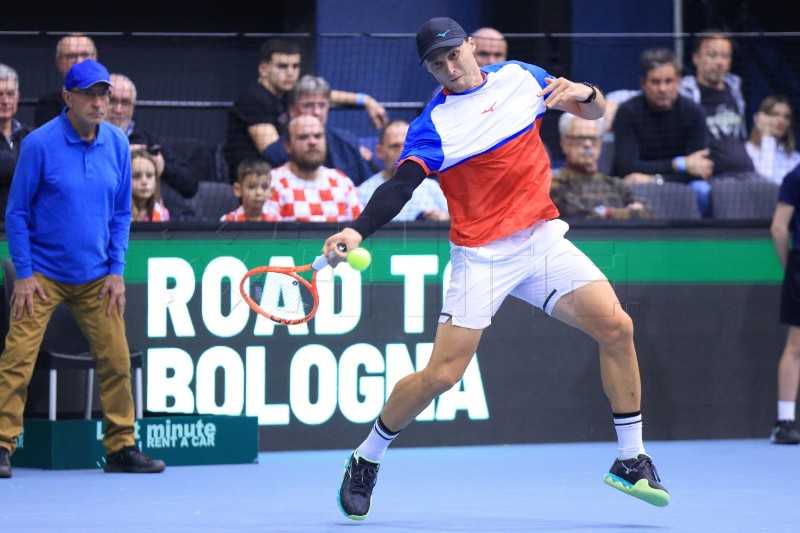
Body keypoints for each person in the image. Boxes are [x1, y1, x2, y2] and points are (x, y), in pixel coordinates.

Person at [325, 17, 669, 521]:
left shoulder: (520, 77)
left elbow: (592, 113)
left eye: (453, 54)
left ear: (472, 47)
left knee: (617, 327)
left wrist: (586, 91)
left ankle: (631, 460)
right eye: (436, 63)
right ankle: (366, 457)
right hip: (482, 256)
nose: (449, 68)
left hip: (542, 239)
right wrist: (357, 229)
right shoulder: (433, 127)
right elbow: (399, 187)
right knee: (443, 375)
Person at [0, 59, 165, 479]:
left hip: (98, 279)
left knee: (116, 360)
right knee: (18, 360)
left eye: (103, 94)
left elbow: (120, 215)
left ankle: (121, 448)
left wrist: (116, 271)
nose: (98, 102)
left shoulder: (116, 145)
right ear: (68, 98)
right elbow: (16, 213)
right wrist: (24, 273)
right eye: (89, 94)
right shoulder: (38, 144)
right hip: (42, 277)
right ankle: (1, 446)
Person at [225, 39, 387, 177]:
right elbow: (275, 153)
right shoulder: (254, 100)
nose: (290, 73)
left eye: (295, 66)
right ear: (263, 69)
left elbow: (324, 95)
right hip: (256, 180)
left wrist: (365, 100)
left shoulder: (286, 92)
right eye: (282, 66)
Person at [613, 48, 713, 216]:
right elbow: (627, 166)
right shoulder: (627, 112)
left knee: (702, 189)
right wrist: (679, 164)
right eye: (655, 82)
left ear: (678, 82)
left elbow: (699, 170)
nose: (662, 88)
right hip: (637, 182)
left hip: (676, 183)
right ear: (643, 83)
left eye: (669, 81)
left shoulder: (694, 112)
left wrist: (655, 179)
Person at [107, 73, 199, 220]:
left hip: (158, 223)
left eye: (125, 103)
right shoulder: (88, 140)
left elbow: (191, 185)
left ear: (133, 107)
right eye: (112, 101)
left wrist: (162, 168)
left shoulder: (148, 141)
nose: (118, 109)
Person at [262, 75, 374, 186]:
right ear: (293, 111)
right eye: (308, 105)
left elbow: (367, 187)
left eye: (322, 105)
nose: (317, 112)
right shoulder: (274, 153)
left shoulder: (347, 143)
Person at [678, 30, 757, 180]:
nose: (719, 62)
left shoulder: (736, 90)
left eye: (725, 56)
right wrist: (617, 101)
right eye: (712, 55)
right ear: (696, 58)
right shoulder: (683, 91)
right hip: (710, 177)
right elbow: (650, 93)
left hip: (747, 172)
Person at [551, 113, 653, 220]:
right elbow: (583, 218)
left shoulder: (615, 184)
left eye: (593, 138)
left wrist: (606, 213)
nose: (587, 144)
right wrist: (625, 213)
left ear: (600, 143)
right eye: (580, 138)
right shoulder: (556, 184)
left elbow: (648, 214)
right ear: (564, 143)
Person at [271, 114, 361, 222]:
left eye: (318, 136)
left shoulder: (341, 182)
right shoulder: (272, 182)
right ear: (288, 146)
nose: (312, 142)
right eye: (303, 137)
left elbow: (360, 230)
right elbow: (267, 236)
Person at [357, 119, 449, 221]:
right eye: (395, 146)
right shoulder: (363, 193)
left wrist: (442, 219)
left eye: (408, 146)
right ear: (380, 152)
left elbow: (455, 220)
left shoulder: (432, 188)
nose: (403, 153)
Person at [769, 164, 800, 445]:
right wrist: (789, 266)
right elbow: (779, 228)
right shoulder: (795, 177)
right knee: (797, 343)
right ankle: (785, 421)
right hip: (799, 265)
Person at [34, 34, 97, 127]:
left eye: (85, 55)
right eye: (71, 56)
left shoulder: (111, 101)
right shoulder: (48, 106)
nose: (79, 61)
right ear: (58, 63)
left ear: (95, 60)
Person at [747, 95, 800, 185]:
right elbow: (764, 185)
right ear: (759, 118)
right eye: (775, 114)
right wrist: (767, 137)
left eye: (786, 117)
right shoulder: (747, 151)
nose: (781, 120)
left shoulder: (795, 158)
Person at [1, 63, 32, 215]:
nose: (5, 101)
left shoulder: (29, 135)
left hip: (24, 227)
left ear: (18, 97)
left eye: (10, 94)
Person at [131, 150, 170, 222]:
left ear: (156, 181)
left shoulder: (162, 213)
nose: (144, 182)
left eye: (149, 176)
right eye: (136, 176)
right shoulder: (118, 213)